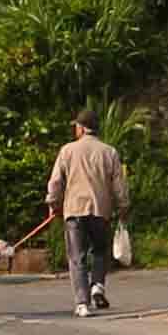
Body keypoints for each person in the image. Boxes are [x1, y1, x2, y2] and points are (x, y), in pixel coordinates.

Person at [40, 115, 129, 317]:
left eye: (76, 126)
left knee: (77, 257)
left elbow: (55, 182)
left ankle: (82, 303)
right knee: (100, 250)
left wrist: (53, 203)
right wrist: (123, 206)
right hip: (101, 210)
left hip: (75, 210)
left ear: (81, 128)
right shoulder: (109, 152)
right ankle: (97, 285)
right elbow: (119, 185)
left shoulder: (67, 150)